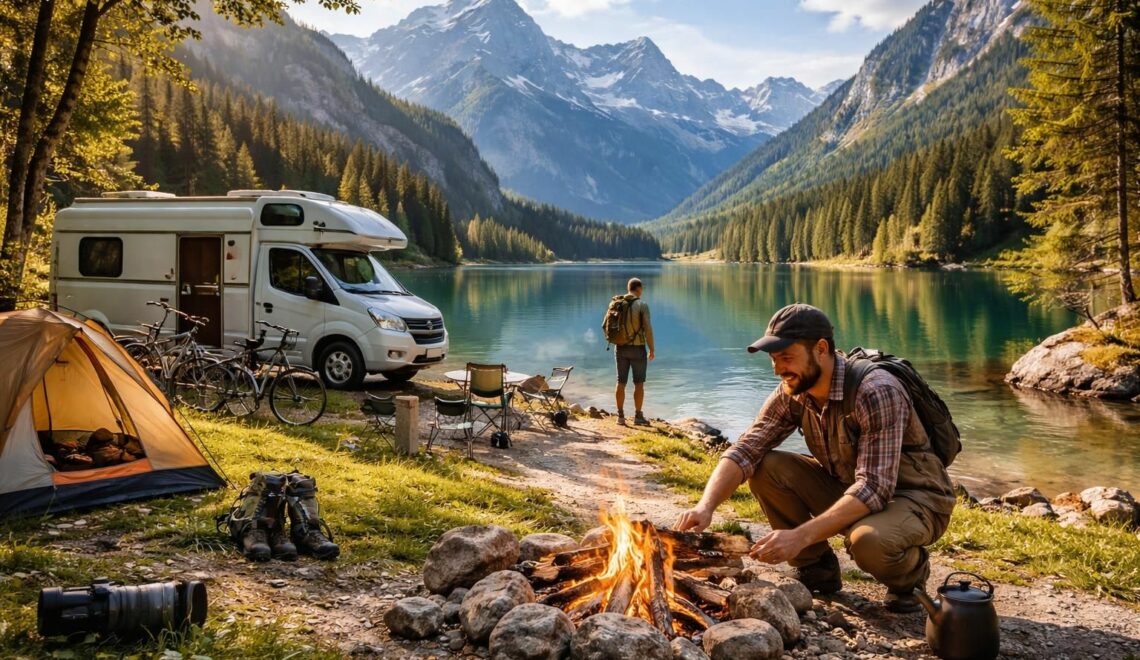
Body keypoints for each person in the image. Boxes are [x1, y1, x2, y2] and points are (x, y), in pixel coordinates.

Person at [674, 303, 955, 612]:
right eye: (773, 358)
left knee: (869, 543)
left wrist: (799, 536)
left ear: (821, 348)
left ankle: (909, 578)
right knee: (767, 466)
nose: (778, 368)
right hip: (850, 486)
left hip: (913, 496)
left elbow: (874, 487)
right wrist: (706, 506)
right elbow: (746, 449)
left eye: (786, 357)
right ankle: (816, 568)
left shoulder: (876, 390)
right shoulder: (794, 389)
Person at [614, 277, 655, 426]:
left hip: (620, 348)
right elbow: (648, 330)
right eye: (641, 289)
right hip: (637, 349)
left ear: (628, 288)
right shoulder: (642, 305)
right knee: (639, 383)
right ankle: (638, 416)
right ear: (638, 289)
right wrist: (652, 348)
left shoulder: (618, 303)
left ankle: (620, 417)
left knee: (620, 382)